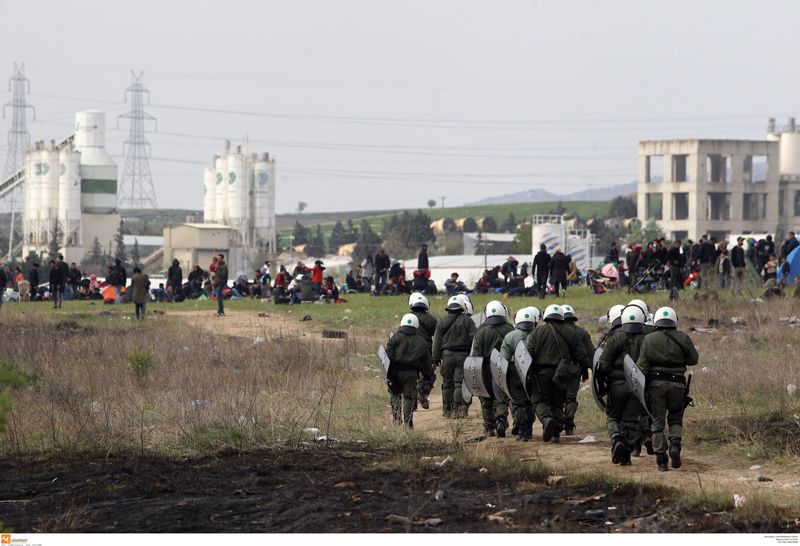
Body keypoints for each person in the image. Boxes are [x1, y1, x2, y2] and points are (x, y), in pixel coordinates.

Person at [637, 307, 699, 471]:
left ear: (657, 321)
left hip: (656, 385)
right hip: (678, 384)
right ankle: (675, 445)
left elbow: (641, 367)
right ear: (674, 321)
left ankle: (661, 459)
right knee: (675, 418)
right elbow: (694, 359)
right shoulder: (683, 338)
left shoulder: (648, 339)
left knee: (657, 422)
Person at [524, 304, 589, 443]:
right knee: (557, 404)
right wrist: (585, 371)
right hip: (562, 373)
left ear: (546, 316)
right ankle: (555, 434)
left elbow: (527, 354)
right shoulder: (571, 332)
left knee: (539, 400)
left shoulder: (537, 332)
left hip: (541, 373)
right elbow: (581, 354)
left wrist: (528, 373)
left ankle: (547, 420)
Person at [597, 304, 649, 465]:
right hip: (636, 384)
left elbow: (603, 363)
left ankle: (616, 438)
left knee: (613, 416)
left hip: (617, 384)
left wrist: (603, 383)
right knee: (630, 420)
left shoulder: (615, 338)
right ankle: (626, 454)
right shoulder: (647, 339)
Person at [470, 301, 515, 437]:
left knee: (486, 398)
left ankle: (489, 427)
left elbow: (476, 355)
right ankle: (501, 419)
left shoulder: (481, 330)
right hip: (503, 367)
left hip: (484, 369)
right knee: (501, 396)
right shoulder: (510, 329)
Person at [385, 314, 434, 429]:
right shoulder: (422, 341)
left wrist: (389, 374)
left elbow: (387, 356)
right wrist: (428, 374)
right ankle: (408, 423)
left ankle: (397, 421)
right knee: (409, 397)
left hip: (395, 372)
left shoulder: (395, 338)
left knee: (395, 395)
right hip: (412, 374)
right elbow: (426, 361)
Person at [432, 294, 477, 418]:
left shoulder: (442, 321)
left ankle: (447, 410)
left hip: (446, 356)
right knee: (458, 383)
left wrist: (435, 358)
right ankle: (458, 409)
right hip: (463, 356)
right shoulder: (468, 321)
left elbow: (436, 341)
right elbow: (475, 338)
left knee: (447, 383)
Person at [500, 307, 540, 441]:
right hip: (534, 372)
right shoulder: (538, 334)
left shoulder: (510, 336)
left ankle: (522, 431)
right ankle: (529, 428)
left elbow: (503, 359)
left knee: (518, 403)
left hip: (514, 373)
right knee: (530, 401)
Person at [561, 305, 594, 436]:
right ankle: (569, 424)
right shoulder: (582, 332)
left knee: (557, 399)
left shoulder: (554, 331)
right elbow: (588, 355)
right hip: (575, 369)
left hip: (557, 370)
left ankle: (556, 425)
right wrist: (586, 370)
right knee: (570, 398)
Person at [408, 293, 437, 409]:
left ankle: (411, 402)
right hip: (426, 351)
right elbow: (438, 336)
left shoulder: (407, 317)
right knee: (429, 375)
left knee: (410, 375)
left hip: (409, 350)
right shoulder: (431, 319)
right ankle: (422, 394)